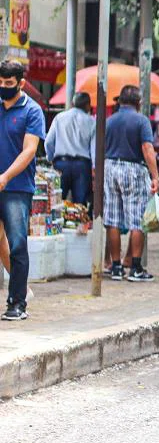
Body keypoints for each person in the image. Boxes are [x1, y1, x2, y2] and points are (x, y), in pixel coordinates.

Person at [0, 61, 45, 320]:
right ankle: (22, 289)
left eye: (9, 84)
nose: (4, 88)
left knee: (17, 244)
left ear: (21, 83)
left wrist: (6, 176)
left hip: (17, 187)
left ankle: (17, 303)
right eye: (1, 83)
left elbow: (29, 150)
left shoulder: (32, 111)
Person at [103, 85, 159, 282]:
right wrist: (155, 176)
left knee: (112, 220)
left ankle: (116, 267)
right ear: (138, 102)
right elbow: (147, 148)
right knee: (137, 220)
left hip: (109, 167)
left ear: (119, 101)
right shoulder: (141, 121)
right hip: (133, 170)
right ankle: (135, 268)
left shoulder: (108, 121)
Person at [45, 91, 96, 205]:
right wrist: (94, 169)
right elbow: (94, 149)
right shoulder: (92, 122)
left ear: (72, 104)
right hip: (82, 167)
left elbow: (48, 141)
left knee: (56, 202)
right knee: (80, 204)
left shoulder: (59, 117)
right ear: (88, 106)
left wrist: (50, 158)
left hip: (61, 164)